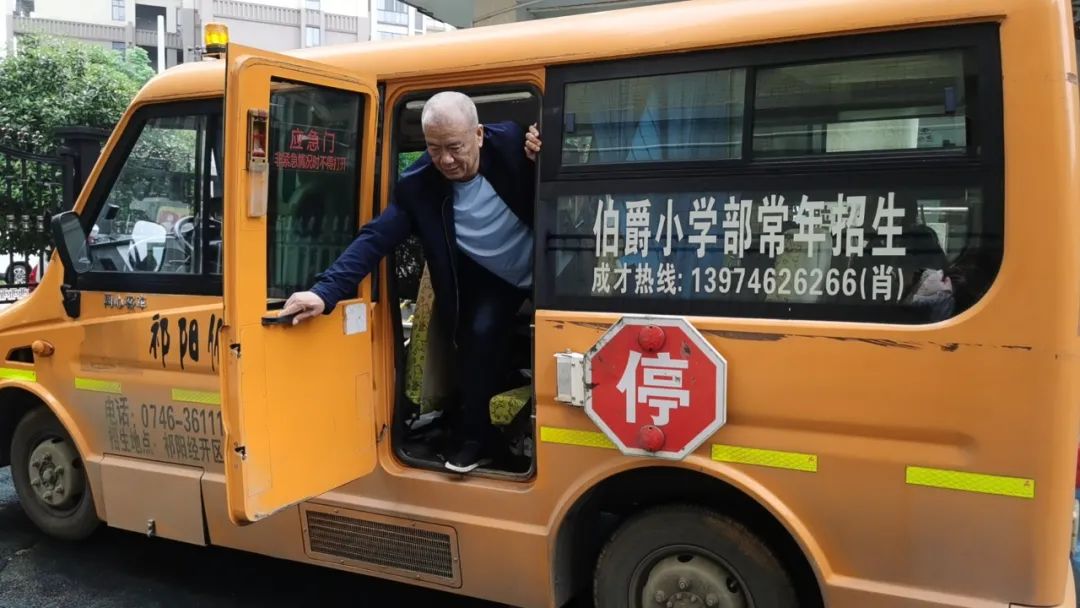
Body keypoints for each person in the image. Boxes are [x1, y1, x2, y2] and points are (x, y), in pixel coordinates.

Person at [281, 91, 542, 474]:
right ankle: (478, 440)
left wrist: (549, 146)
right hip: (493, 279)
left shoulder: (517, 146)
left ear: (479, 134)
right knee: (477, 339)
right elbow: (375, 238)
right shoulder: (418, 185)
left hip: (549, 265)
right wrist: (323, 292)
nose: (447, 160)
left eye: (455, 147)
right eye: (435, 149)